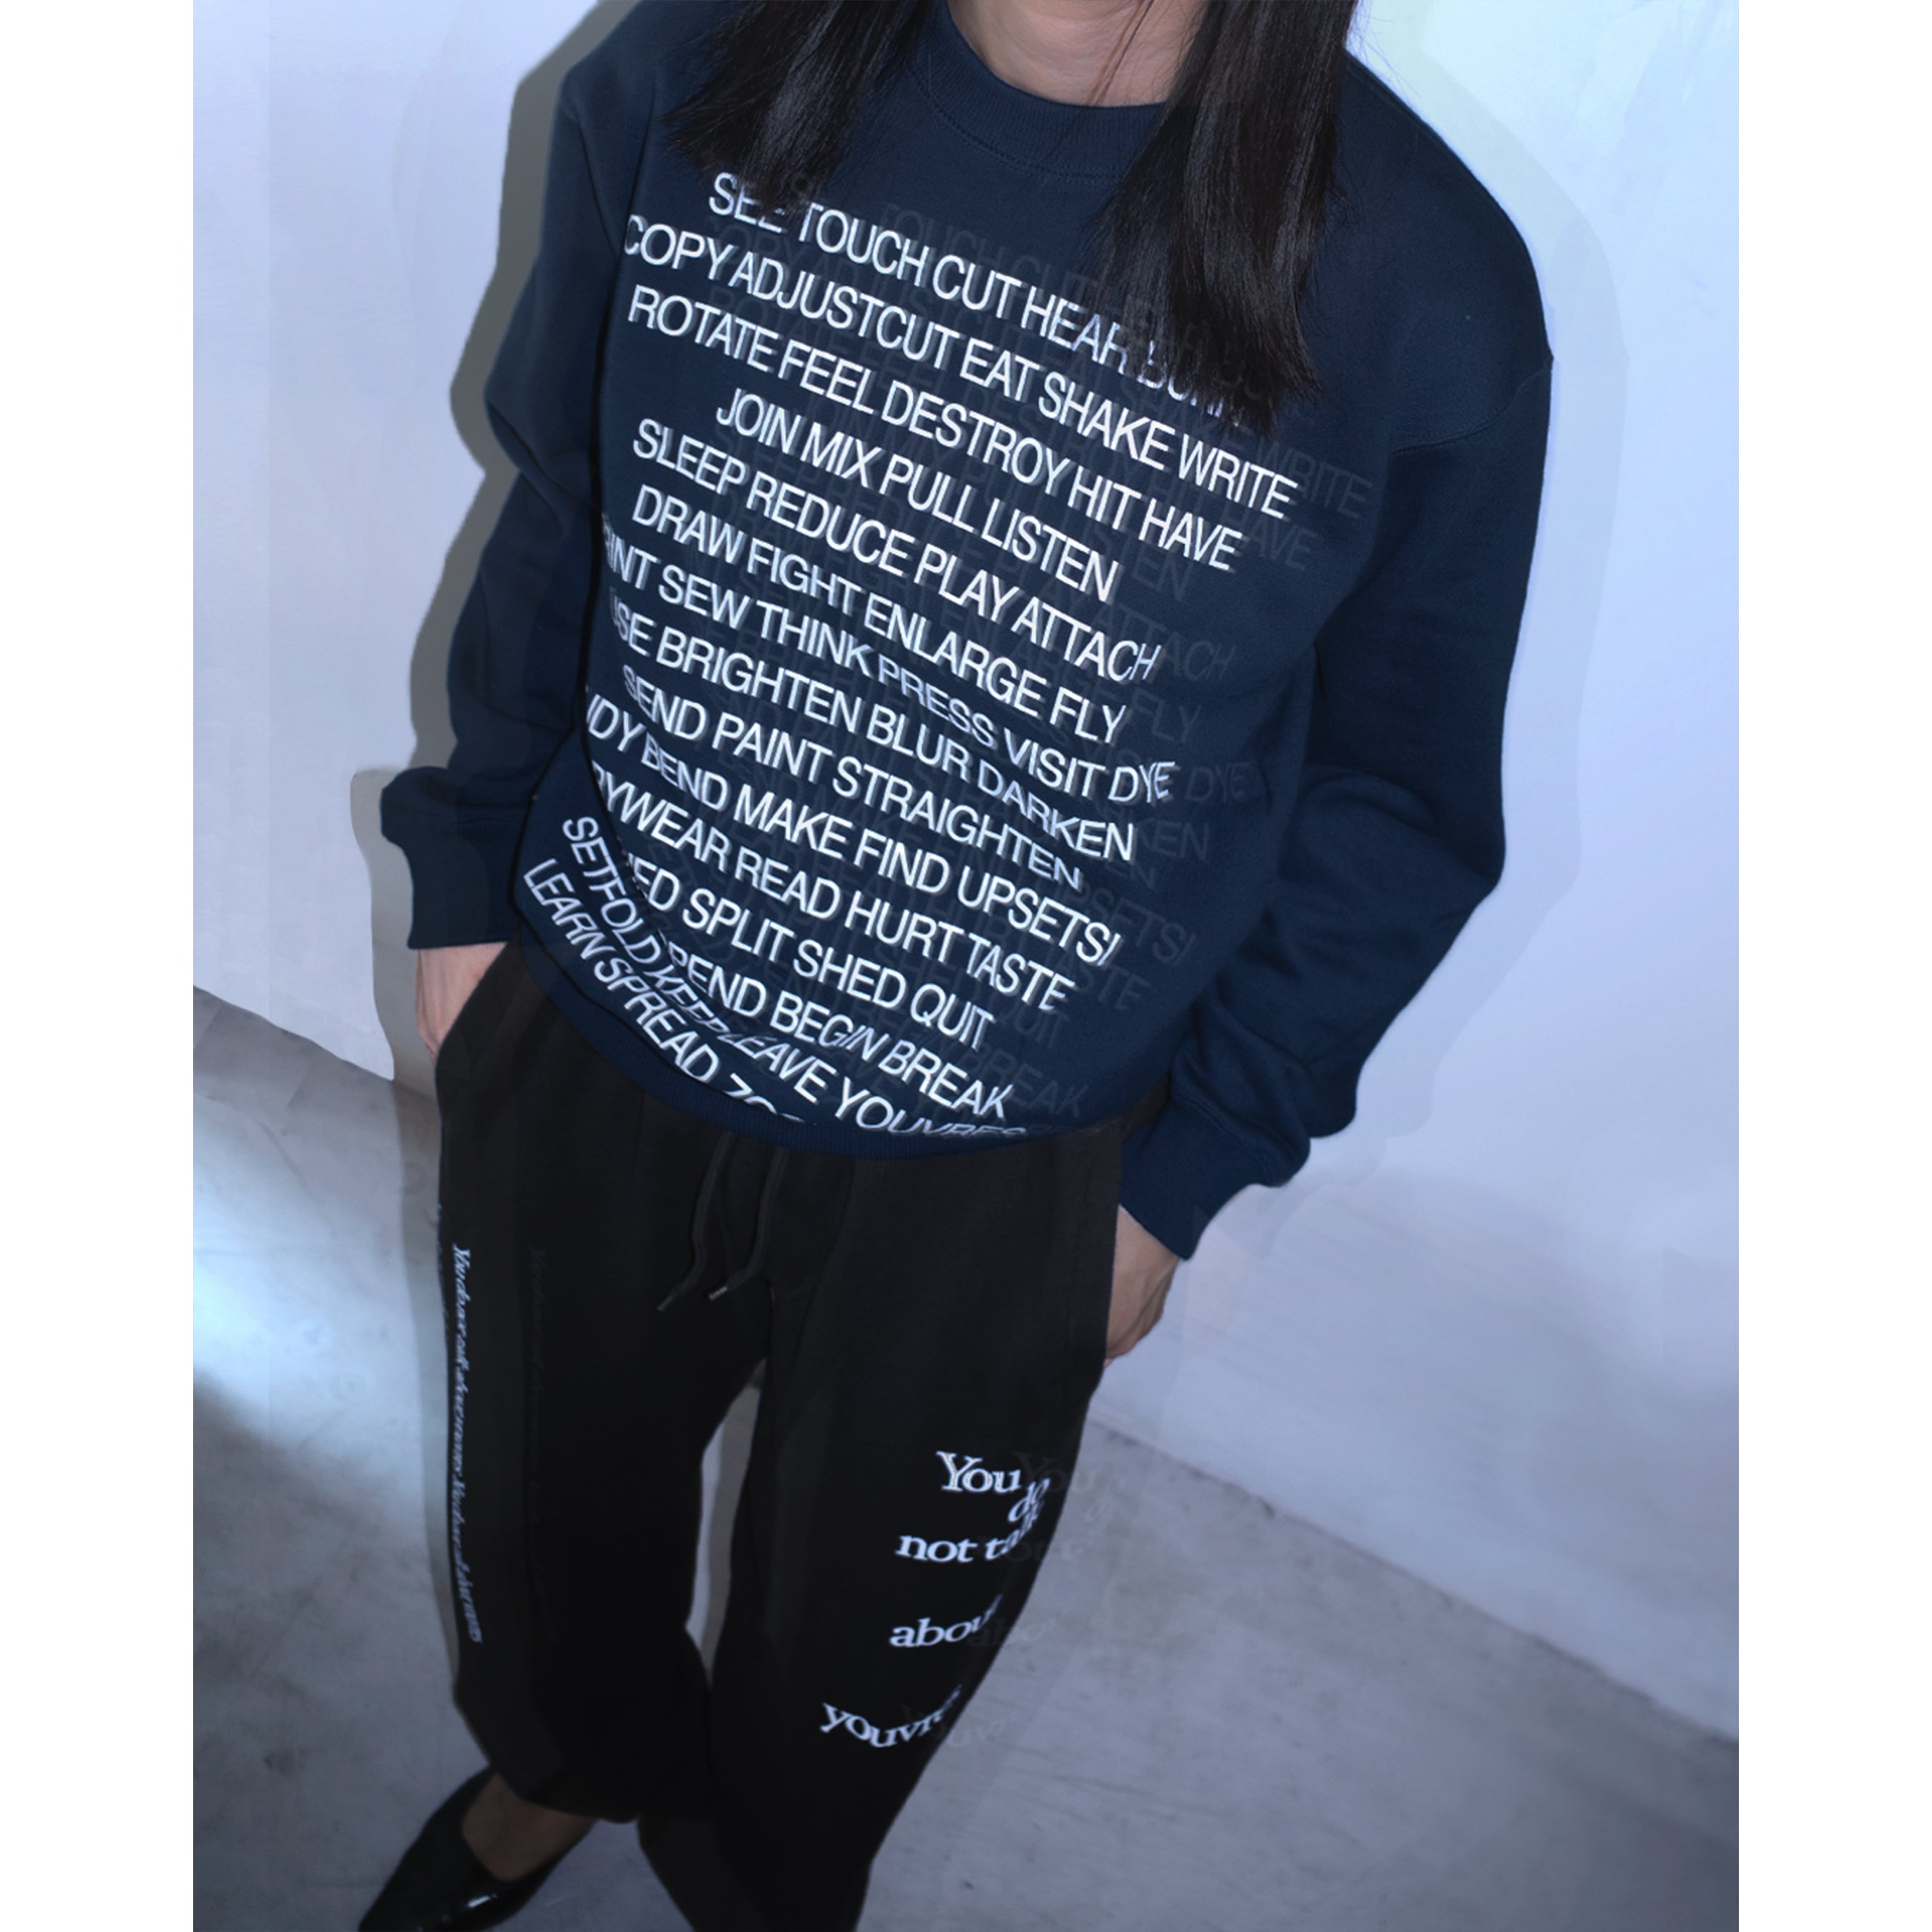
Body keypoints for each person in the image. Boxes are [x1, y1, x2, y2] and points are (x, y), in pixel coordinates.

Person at [362, 0, 1551, 1924]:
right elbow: (568, 486)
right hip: (599, 1019)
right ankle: (559, 1766)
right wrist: (469, 878)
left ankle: (760, 1881)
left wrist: (1175, 1179)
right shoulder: (686, 70)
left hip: (1000, 1171)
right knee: (541, 1530)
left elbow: (1392, 803)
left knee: (850, 1677)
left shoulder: (1424, 289)